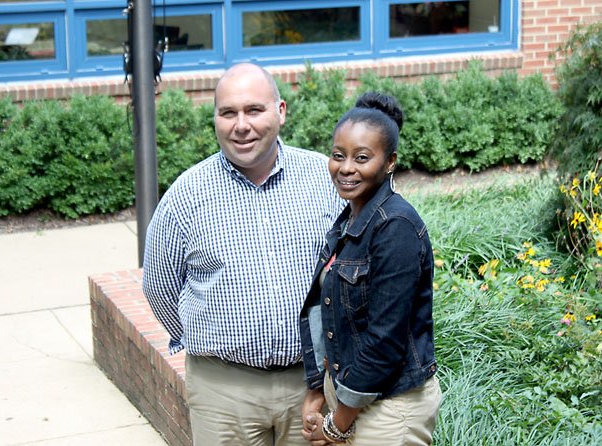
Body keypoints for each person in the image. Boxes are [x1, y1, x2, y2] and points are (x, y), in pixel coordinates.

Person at [142, 62, 345, 446]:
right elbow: (159, 285)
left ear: (280, 111)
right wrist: (207, 338)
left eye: (254, 110)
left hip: (314, 386)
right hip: (223, 393)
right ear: (215, 119)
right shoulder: (186, 196)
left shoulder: (325, 179)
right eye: (228, 113)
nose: (241, 125)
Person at [299, 92, 441, 445]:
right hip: (352, 399)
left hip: (390, 409)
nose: (346, 168)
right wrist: (319, 388)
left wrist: (337, 424)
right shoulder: (350, 219)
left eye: (362, 157)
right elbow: (328, 312)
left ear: (390, 161)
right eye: (338, 155)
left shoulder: (396, 227)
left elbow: (384, 341)